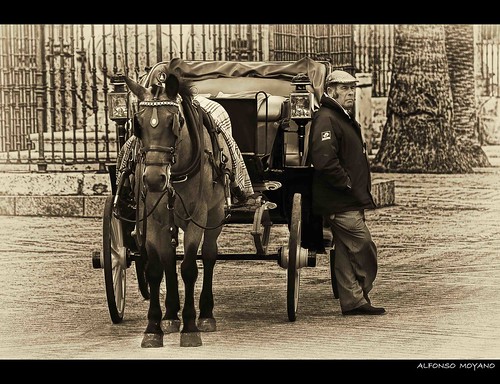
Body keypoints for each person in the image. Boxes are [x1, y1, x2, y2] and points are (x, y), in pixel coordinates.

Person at [307, 70, 386, 316]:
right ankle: (361, 289)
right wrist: (347, 184)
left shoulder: (340, 116)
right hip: (340, 201)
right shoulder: (327, 118)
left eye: (353, 88)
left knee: (343, 250)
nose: (351, 93)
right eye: (345, 89)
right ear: (332, 92)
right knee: (364, 247)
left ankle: (353, 301)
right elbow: (324, 160)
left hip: (348, 198)